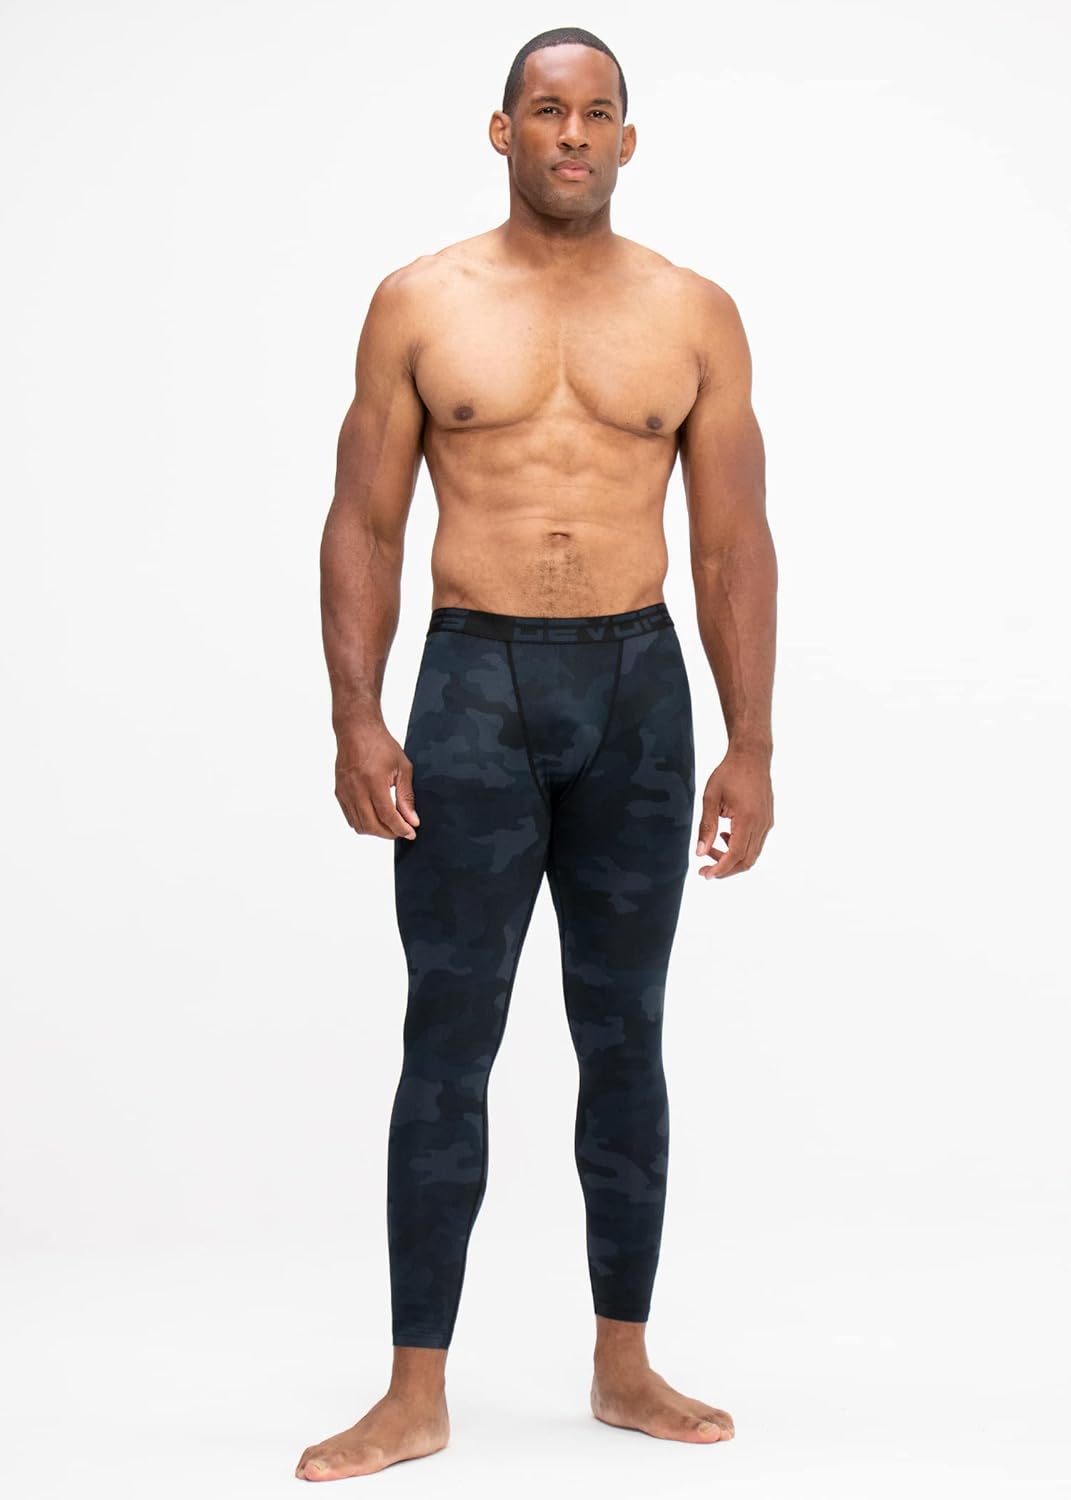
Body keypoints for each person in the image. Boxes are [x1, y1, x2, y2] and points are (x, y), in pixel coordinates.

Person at [296, 25, 775, 1482]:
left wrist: (752, 741)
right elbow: (365, 520)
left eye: (599, 111)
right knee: (449, 1036)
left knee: (625, 1032)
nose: (574, 133)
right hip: (474, 690)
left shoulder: (693, 314)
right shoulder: (419, 303)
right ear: (502, 131)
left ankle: (624, 1364)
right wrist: (356, 712)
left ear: (629, 138)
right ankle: (414, 1391)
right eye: (548, 110)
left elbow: (733, 544)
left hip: (636, 693)